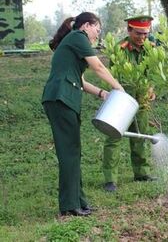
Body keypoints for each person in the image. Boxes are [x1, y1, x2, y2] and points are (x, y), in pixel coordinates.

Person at [42, 12, 124, 217]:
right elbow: (98, 66)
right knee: (69, 151)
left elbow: (81, 80)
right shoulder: (78, 37)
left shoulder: (72, 42)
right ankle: (69, 206)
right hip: (60, 98)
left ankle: (78, 201)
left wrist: (102, 92)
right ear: (86, 25)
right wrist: (118, 88)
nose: (98, 34)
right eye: (98, 29)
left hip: (63, 99)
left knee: (73, 150)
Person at [102, 16, 157, 193]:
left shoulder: (151, 48)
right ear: (129, 30)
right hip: (121, 97)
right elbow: (111, 75)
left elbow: (153, 71)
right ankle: (110, 179)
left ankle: (142, 173)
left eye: (145, 34)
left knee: (140, 135)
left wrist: (151, 88)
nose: (142, 37)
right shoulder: (119, 49)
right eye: (138, 33)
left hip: (141, 98)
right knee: (114, 136)